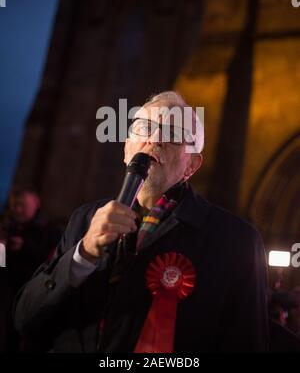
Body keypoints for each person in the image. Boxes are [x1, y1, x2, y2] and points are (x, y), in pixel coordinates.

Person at [13, 91, 269, 352]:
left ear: (191, 164)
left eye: (173, 134)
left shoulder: (236, 243)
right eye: (144, 127)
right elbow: (25, 318)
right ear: (126, 147)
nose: (155, 138)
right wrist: (83, 255)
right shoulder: (84, 219)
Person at [0, 185, 60, 351]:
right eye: (15, 205)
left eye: (23, 206)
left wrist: (24, 246)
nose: (18, 210)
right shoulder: (5, 224)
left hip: (30, 295)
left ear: (35, 203)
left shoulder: (49, 231)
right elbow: (1, 264)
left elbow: (52, 264)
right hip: (5, 291)